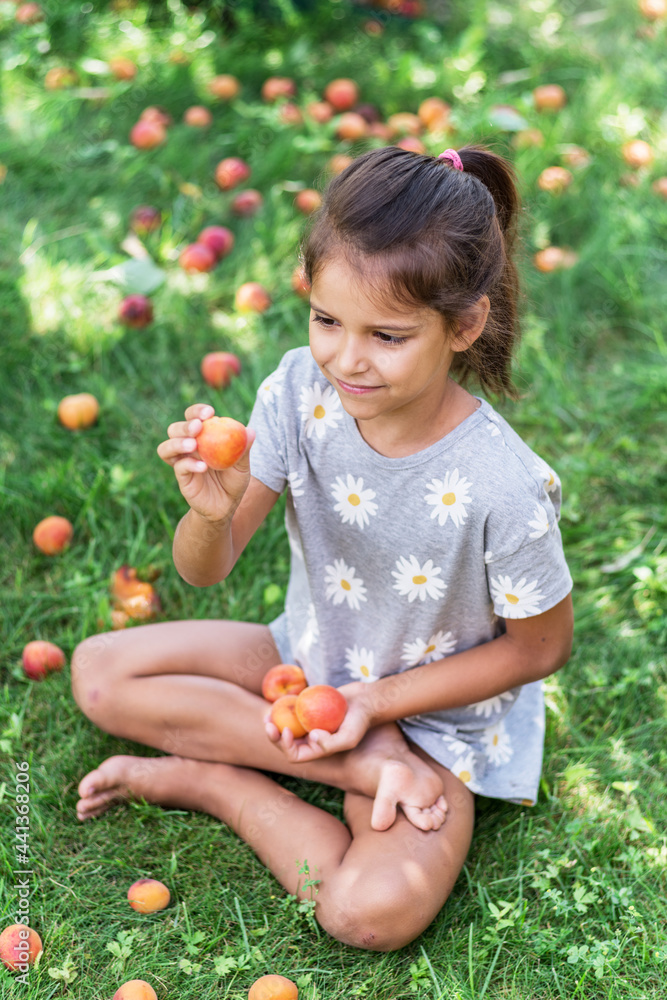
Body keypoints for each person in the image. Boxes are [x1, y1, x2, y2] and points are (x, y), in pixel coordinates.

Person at [71, 145, 574, 952]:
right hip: (306, 659)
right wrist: (209, 511)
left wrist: (373, 710)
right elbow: (206, 570)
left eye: (386, 334)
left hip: (433, 721)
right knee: (99, 671)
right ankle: (350, 769)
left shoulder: (503, 484)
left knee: (364, 914)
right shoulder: (298, 391)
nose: (346, 358)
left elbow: (541, 649)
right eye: (327, 320)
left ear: (464, 325)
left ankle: (212, 780)